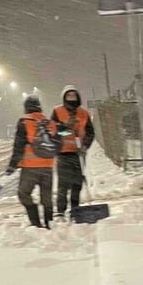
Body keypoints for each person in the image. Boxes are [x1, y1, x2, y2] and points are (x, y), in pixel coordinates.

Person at [6, 95, 57, 228]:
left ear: (26, 108)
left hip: (30, 168)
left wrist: (12, 165)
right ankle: (49, 224)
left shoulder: (24, 121)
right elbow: (57, 141)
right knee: (47, 198)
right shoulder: (48, 122)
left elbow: (19, 145)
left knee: (23, 193)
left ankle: (35, 223)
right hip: (48, 166)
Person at [50, 86, 95, 218]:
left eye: (73, 96)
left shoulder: (84, 113)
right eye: (68, 96)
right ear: (64, 97)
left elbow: (90, 133)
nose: (71, 98)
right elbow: (53, 131)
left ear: (77, 97)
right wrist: (64, 127)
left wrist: (85, 146)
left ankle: (75, 209)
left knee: (77, 183)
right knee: (63, 184)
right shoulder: (57, 111)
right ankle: (60, 210)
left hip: (78, 154)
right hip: (63, 153)